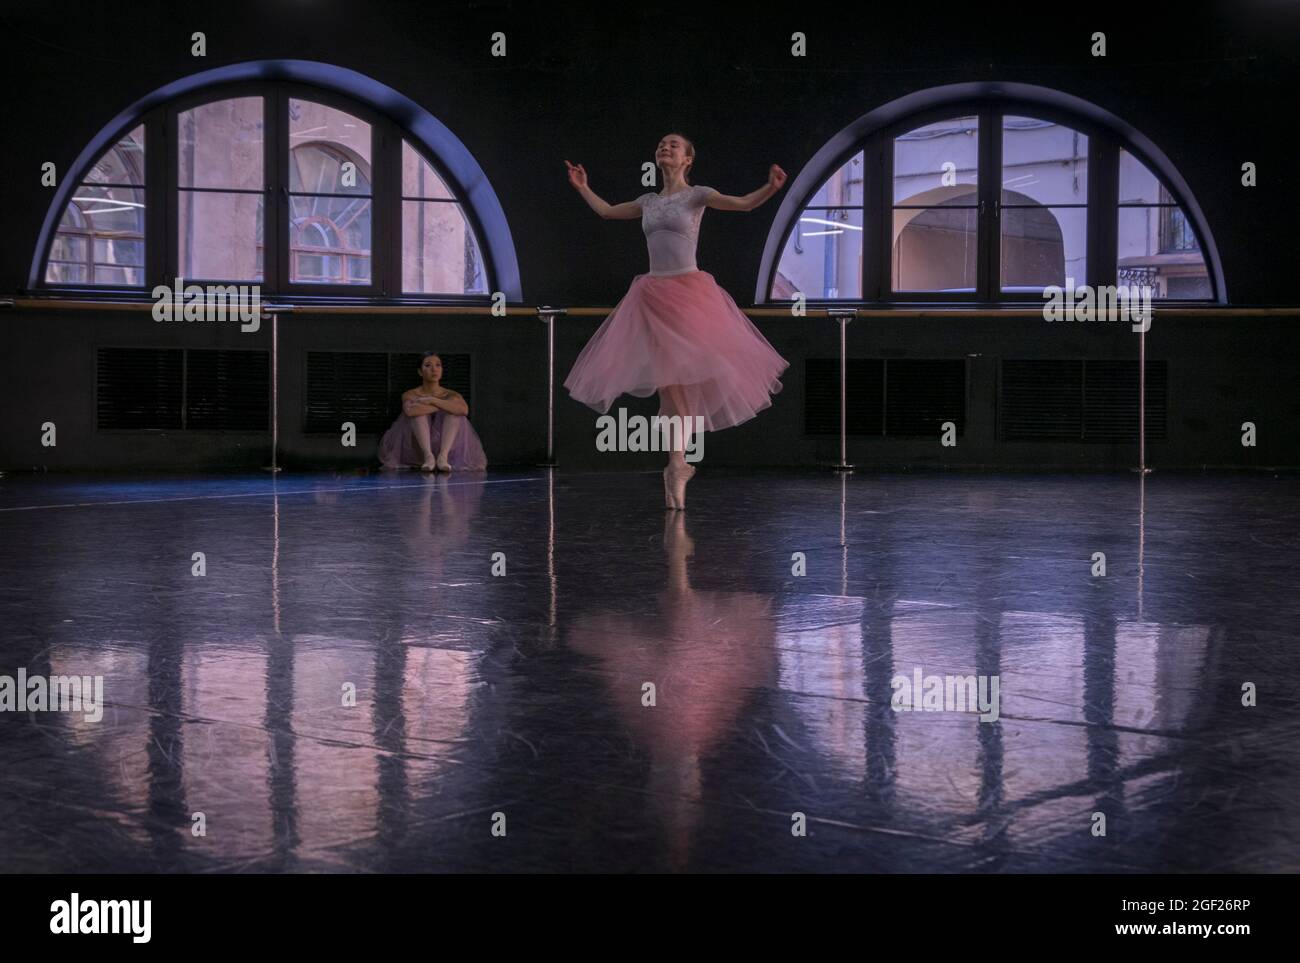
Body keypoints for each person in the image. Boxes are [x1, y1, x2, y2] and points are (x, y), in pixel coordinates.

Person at [563, 132, 789, 509]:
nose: (665, 148)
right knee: (670, 391)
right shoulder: (647, 201)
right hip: (652, 296)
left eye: (674, 145)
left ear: (687, 160)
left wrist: (770, 187)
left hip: (690, 295)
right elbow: (606, 211)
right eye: (661, 145)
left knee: (683, 387)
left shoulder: (698, 195)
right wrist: (583, 187)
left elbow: (744, 204)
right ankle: (676, 465)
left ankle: (677, 466)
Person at [378, 352, 488, 471]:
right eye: (428, 365)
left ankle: (443, 457)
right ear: (420, 372)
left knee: (454, 415)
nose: (434, 369)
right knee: (419, 415)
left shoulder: (451, 394)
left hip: (447, 446)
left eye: (438, 365)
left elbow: (464, 410)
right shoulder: (411, 394)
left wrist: (432, 400)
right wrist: (443, 405)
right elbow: (410, 411)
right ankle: (428, 457)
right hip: (417, 447)